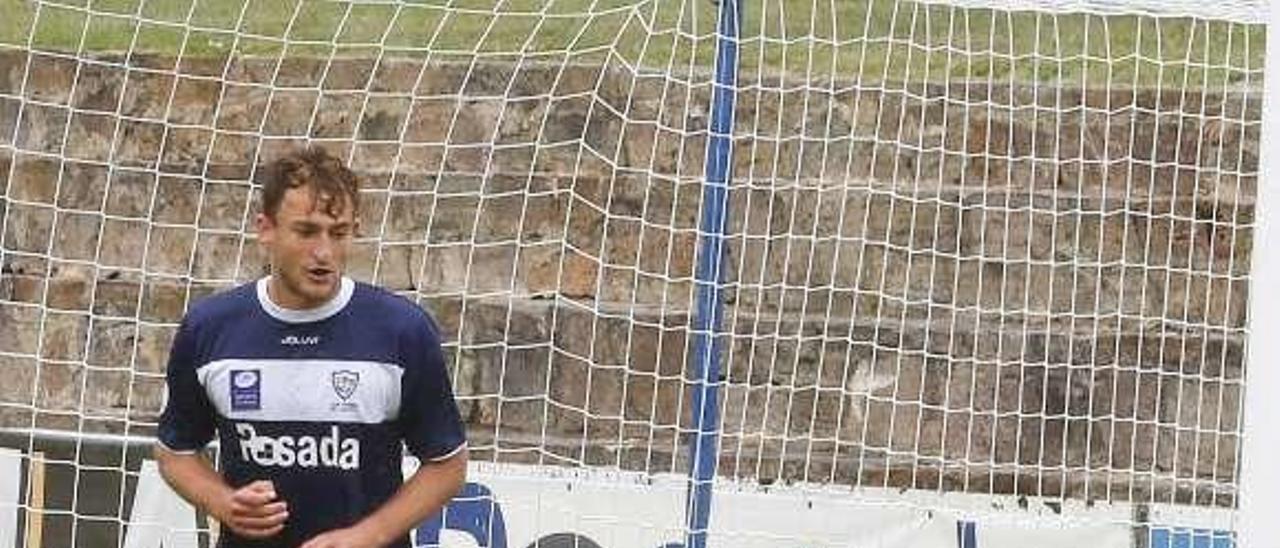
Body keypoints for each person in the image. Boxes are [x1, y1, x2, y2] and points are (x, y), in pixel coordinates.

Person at [154, 147, 467, 548]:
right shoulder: (210, 329)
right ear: (265, 228)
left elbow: (447, 465)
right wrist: (224, 501)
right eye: (306, 231)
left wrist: (366, 536)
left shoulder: (401, 331)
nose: (323, 253)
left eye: (338, 233)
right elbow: (175, 452)